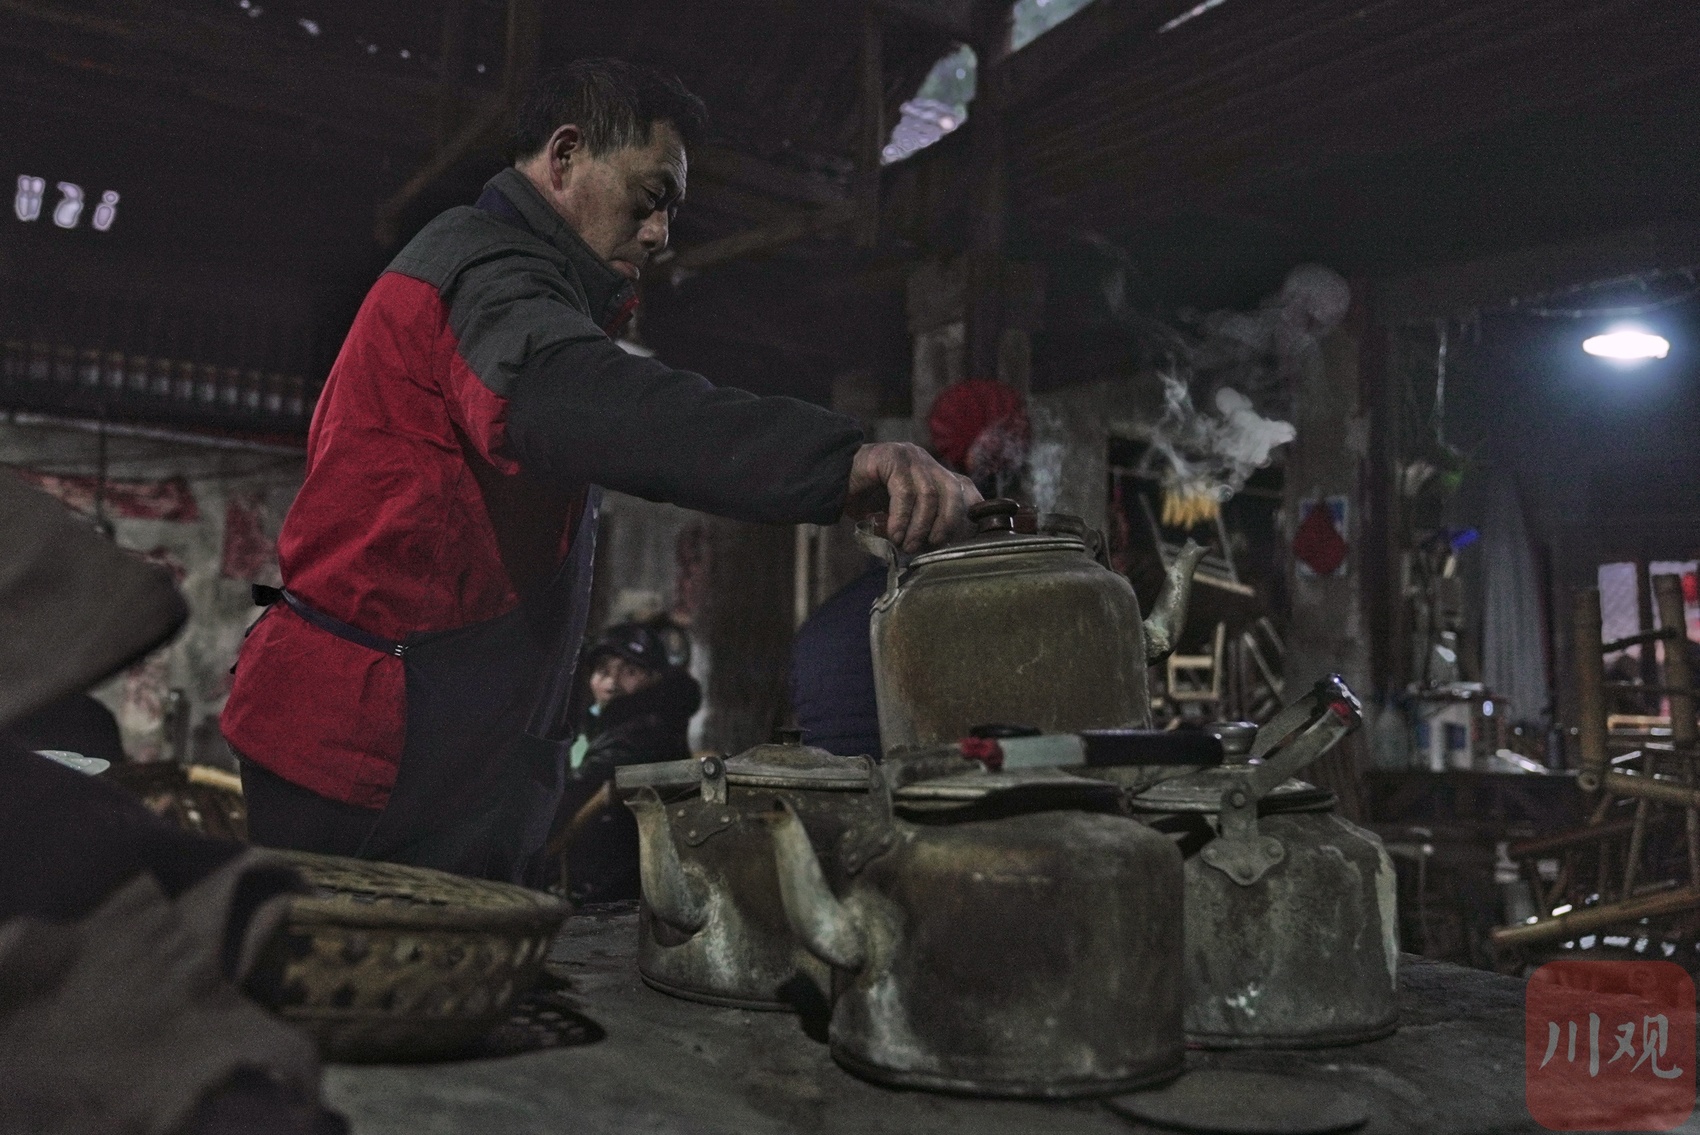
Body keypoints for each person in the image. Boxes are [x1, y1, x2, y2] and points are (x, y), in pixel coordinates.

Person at [221, 58, 979, 884]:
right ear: (565, 156)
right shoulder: (485, 275)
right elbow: (598, 404)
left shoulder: (496, 276)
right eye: (649, 198)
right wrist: (843, 462)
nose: (660, 234)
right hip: (371, 752)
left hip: (403, 740)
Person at [552, 622, 698, 902]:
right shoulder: (597, 723)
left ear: (654, 679)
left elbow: (580, 783)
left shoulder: (645, 731)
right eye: (603, 671)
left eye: (629, 672)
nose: (612, 683)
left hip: (616, 886)